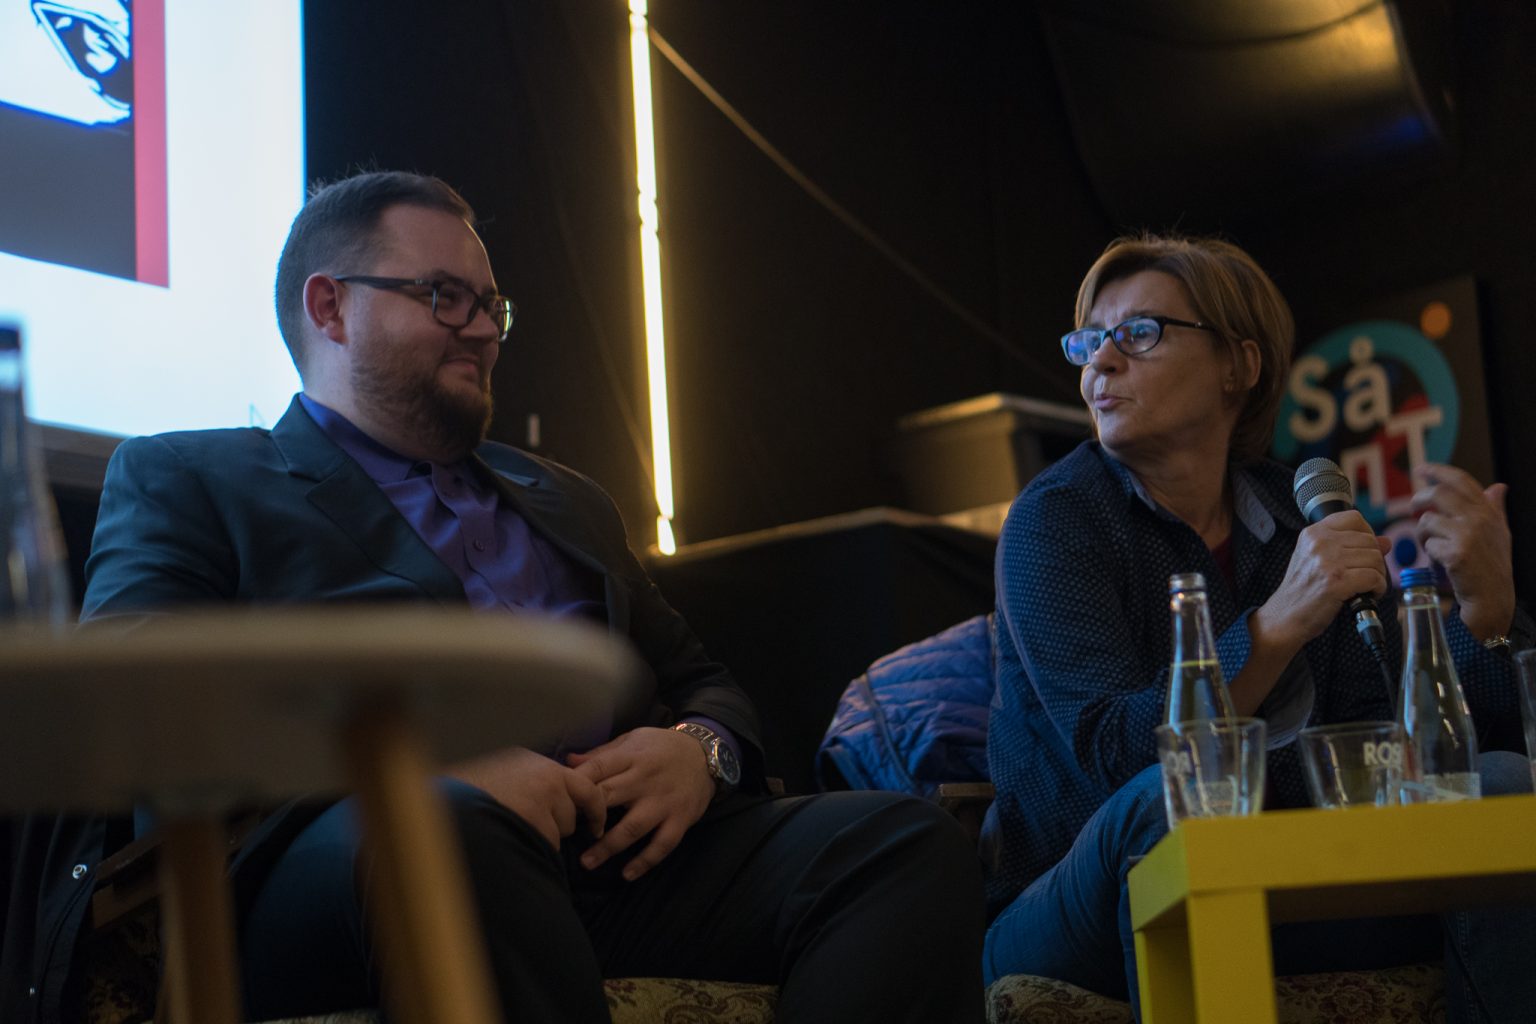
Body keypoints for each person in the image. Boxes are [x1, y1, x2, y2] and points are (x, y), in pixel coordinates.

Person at [56, 171, 986, 1023]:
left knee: (901, 844)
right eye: (443, 296)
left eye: (491, 304)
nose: (483, 329)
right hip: (349, 864)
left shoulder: (567, 499)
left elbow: (702, 679)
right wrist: (421, 765)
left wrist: (698, 751)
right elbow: (137, 700)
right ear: (329, 306)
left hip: (616, 862)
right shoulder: (191, 475)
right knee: (451, 833)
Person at [979, 233, 1534, 1020]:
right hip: (1080, 898)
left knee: (1503, 784)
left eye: (1138, 333)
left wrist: (1486, 611)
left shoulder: (1294, 511)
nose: (1101, 361)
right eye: (1089, 341)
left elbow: (1396, 733)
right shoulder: (1055, 521)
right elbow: (1112, 756)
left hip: (1280, 864)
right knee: (1174, 806)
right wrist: (1274, 628)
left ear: (1238, 366)